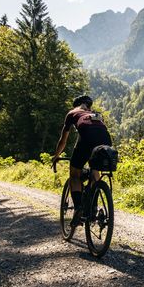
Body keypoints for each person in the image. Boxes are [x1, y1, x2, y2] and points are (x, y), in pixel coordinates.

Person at [52, 95, 113, 226]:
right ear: (88, 106)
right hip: (106, 142)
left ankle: (79, 208)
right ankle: (93, 206)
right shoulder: (97, 115)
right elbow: (99, 132)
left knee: (74, 174)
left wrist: (56, 155)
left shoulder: (72, 113)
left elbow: (63, 140)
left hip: (87, 140)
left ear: (76, 105)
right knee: (94, 170)